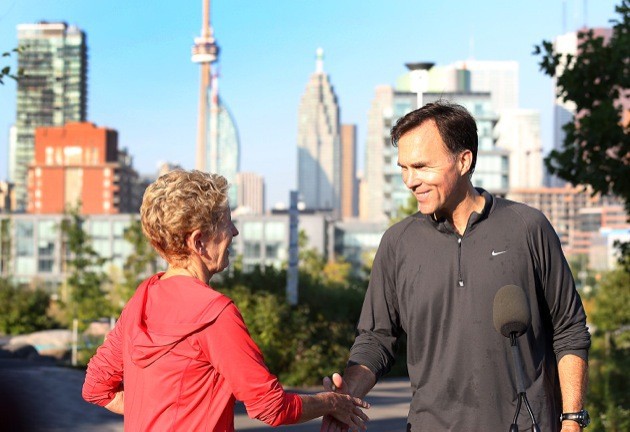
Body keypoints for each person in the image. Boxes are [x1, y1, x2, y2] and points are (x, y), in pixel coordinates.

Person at [321, 101, 591, 432]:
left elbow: (570, 329)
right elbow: (377, 338)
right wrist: (346, 394)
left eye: (421, 166)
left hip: (525, 425)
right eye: (403, 167)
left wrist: (572, 420)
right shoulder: (397, 243)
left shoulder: (527, 227)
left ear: (464, 160)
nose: (410, 180)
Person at [82, 169, 370, 431]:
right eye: (226, 223)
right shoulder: (215, 314)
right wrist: (332, 402)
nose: (234, 232)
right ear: (198, 241)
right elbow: (270, 407)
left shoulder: (141, 300)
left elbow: (96, 387)